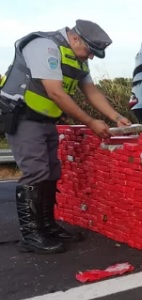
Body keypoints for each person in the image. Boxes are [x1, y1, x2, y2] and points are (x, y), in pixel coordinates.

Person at [0, 19, 132, 254]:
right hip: (22, 117)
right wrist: (90, 122)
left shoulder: (77, 58)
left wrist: (115, 117)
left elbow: (90, 90)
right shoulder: (44, 46)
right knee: (36, 172)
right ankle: (31, 235)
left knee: (51, 171)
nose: (90, 57)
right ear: (75, 38)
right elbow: (55, 92)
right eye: (90, 51)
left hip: (46, 118)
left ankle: (48, 226)